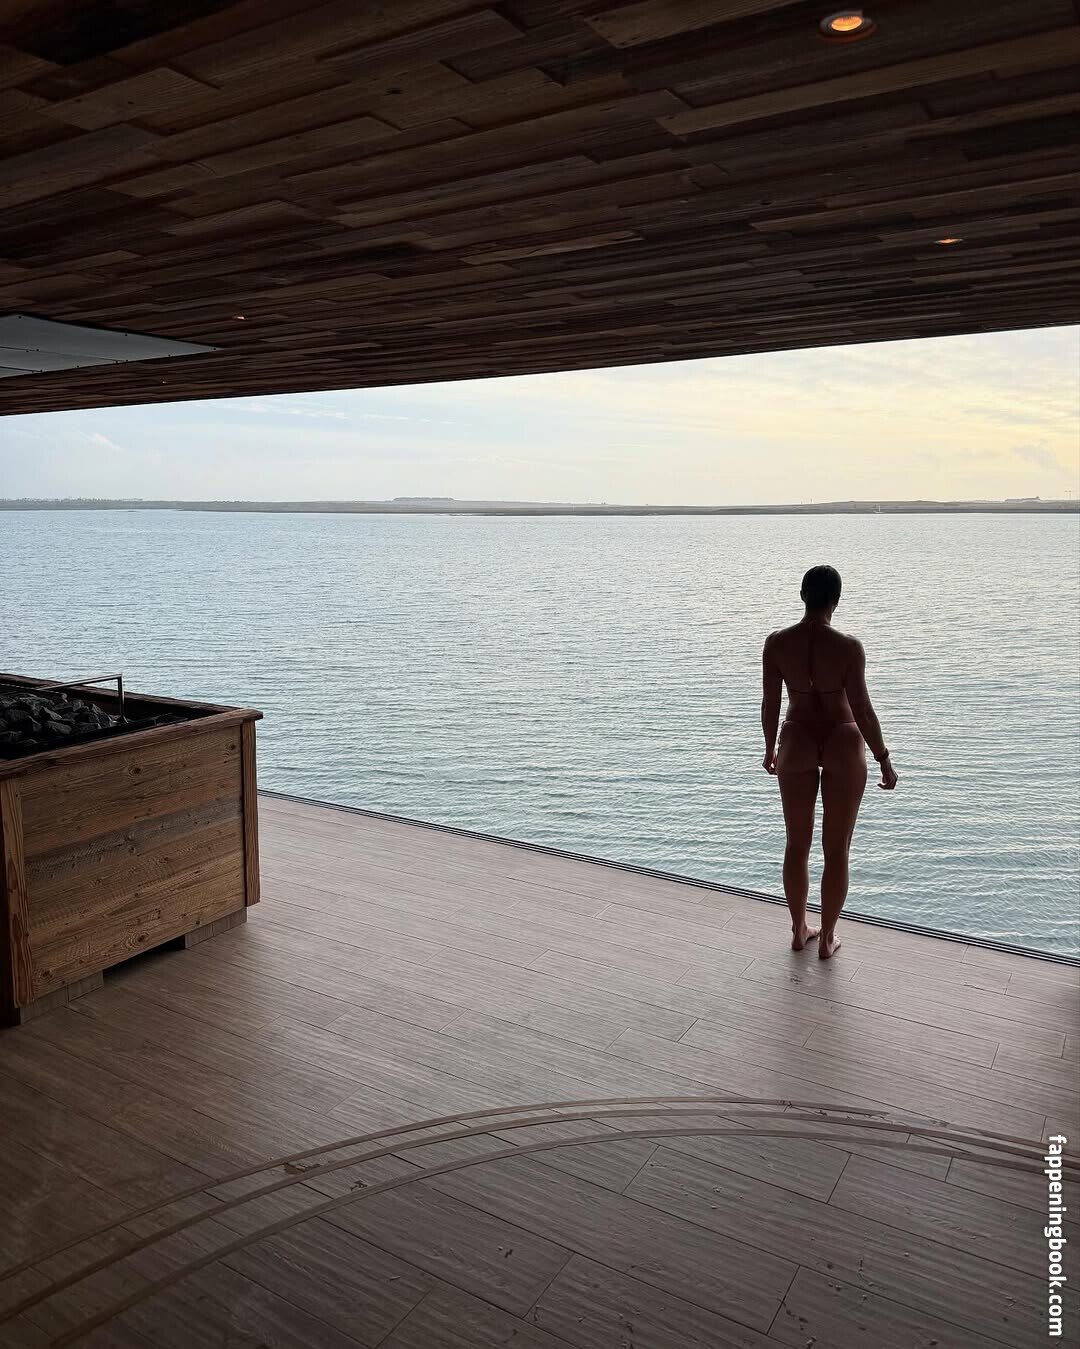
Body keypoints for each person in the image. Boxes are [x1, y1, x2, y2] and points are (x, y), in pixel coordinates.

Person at [760, 565, 897, 958]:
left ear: (803, 595)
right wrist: (883, 758)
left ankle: (799, 929)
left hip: (797, 737)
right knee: (837, 848)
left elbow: (771, 704)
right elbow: (863, 710)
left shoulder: (777, 643)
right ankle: (828, 937)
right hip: (842, 739)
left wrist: (769, 748)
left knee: (796, 843)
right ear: (836, 599)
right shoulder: (848, 647)